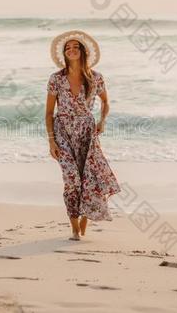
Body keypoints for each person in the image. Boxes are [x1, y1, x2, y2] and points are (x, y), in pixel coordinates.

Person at [45, 30, 121, 241]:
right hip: (63, 132)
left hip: (87, 133)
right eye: (67, 48)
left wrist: (102, 121)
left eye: (75, 46)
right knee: (72, 179)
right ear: (64, 53)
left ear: (83, 51)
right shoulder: (56, 79)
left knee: (88, 180)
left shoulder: (96, 78)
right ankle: (74, 227)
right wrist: (51, 141)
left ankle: (84, 224)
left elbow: (106, 102)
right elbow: (49, 113)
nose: (71, 50)